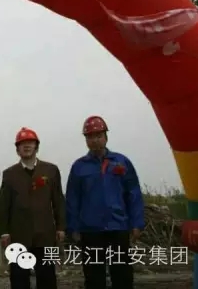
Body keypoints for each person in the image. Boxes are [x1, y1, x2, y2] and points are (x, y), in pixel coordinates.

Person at [66, 116, 144, 289]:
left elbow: (133, 194)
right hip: (90, 229)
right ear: (86, 140)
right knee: (94, 277)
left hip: (118, 226)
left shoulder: (121, 162)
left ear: (106, 137)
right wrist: (73, 228)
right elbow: (73, 199)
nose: (94, 140)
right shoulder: (79, 167)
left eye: (98, 136)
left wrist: (136, 223)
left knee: (122, 275)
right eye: (90, 136)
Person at [0, 127, 66, 289]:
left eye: (30, 142)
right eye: (22, 143)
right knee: (19, 279)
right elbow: (4, 205)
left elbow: (58, 200)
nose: (27, 146)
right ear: (17, 149)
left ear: (36, 146)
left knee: (47, 277)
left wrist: (61, 227)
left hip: (45, 234)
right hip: (19, 235)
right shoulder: (10, 174)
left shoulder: (50, 170)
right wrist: (4, 232)